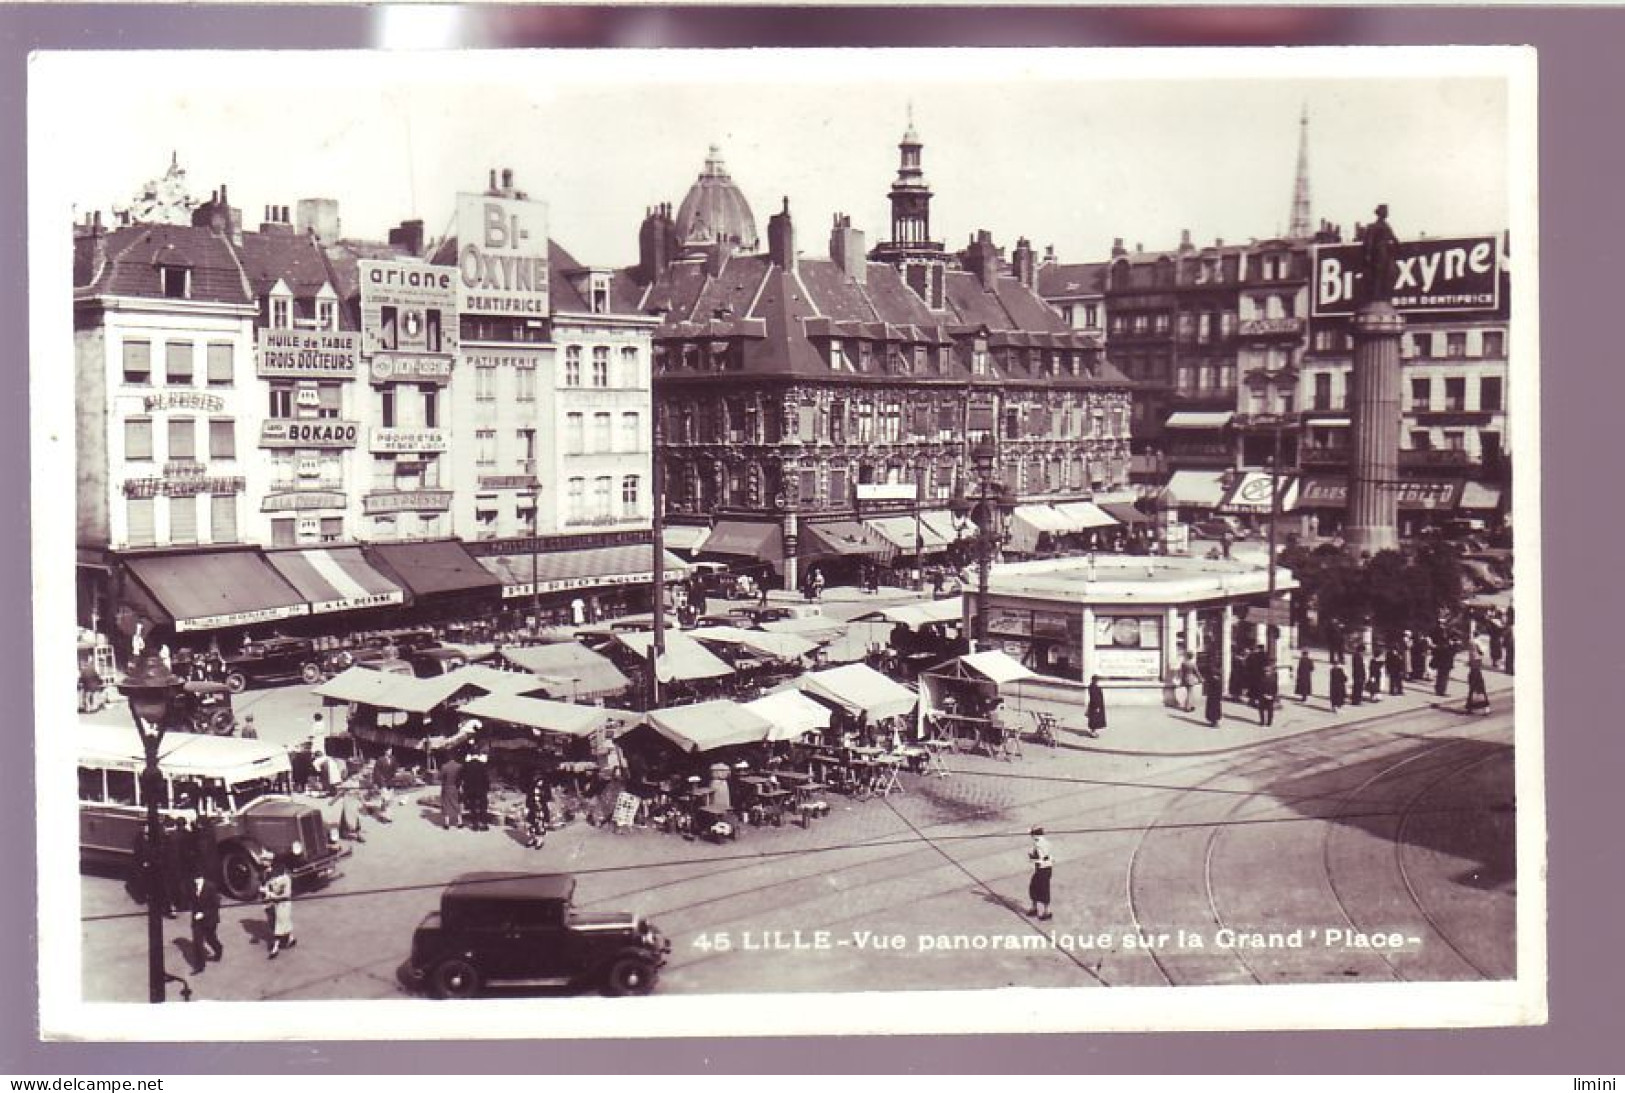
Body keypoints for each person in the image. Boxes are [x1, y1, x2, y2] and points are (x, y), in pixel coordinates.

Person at [188, 872, 224, 974]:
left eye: (197, 880)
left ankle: (218, 949)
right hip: (197, 920)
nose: (195, 882)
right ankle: (199, 966)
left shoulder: (211, 887)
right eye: (194, 880)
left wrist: (204, 914)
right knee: (197, 942)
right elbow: (192, 900)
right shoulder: (192, 886)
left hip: (210, 919)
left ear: (201, 878)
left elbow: (216, 905)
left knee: (210, 938)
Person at [261, 860, 295, 959]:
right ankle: (291, 939)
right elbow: (265, 886)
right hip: (271, 904)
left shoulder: (286, 879)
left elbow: (286, 894)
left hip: (283, 905)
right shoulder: (269, 875)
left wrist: (270, 894)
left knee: (278, 926)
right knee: (279, 923)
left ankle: (275, 948)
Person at [1026, 826, 1053, 921]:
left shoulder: (1038, 845)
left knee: (1042, 889)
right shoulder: (1046, 842)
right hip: (1047, 868)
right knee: (1035, 887)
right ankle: (1035, 908)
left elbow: (1039, 859)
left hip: (1042, 869)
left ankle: (1046, 912)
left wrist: (1031, 858)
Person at [460, 751, 491, 832]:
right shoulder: (482, 765)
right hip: (482, 790)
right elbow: (486, 778)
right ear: (478, 755)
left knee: (473, 807)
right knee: (483, 807)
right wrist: (487, 788)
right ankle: (484, 824)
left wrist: (464, 789)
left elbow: (463, 778)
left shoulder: (466, 765)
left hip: (470, 789)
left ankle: (475, 825)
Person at [523, 777, 552, 849]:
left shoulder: (545, 788)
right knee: (531, 824)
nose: (540, 782)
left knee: (540, 825)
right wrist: (527, 807)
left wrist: (542, 796)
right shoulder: (531, 788)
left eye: (541, 781)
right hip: (532, 809)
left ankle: (540, 840)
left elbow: (548, 797)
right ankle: (532, 839)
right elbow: (528, 798)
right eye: (538, 781)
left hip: (541, 809)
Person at [438, 752, 464, 830]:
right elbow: (461, 777)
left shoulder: (444, 767)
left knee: (446, 804)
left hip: (446, 787)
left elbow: (440, 777)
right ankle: (460, 822)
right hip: (456, 787)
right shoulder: (459, 766)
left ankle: (447, 823)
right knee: (456, 803)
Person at [1255, 662, 1278, 726]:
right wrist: (1273, 696)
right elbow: (1275, 689)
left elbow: (1275, 689)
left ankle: (1265, 722)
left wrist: (1272, 696)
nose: (1266, 673)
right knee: (1267, 710)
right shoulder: (1272, 679)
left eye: (1267, 671)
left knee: (1265, 710)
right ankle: (1267, 722)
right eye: (1265, 671)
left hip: (1264, 696)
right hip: (1267, 696)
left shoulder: (1262, 679)